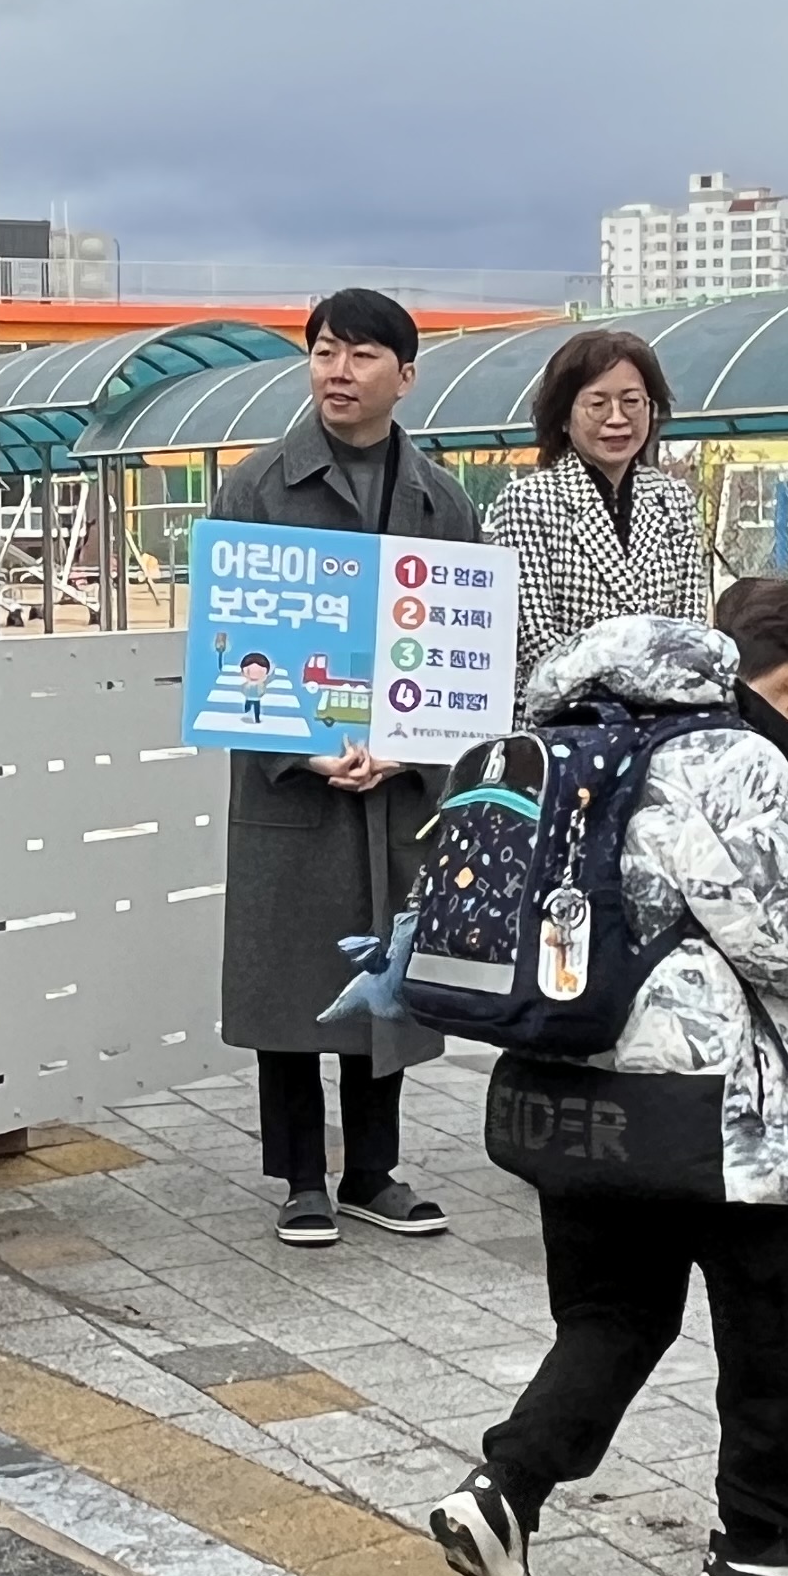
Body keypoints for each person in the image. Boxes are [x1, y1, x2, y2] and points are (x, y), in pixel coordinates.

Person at [428, 579, 788, 1576]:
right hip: (709, 1098)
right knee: (760, 1313)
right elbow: (784, 941)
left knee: (614, 1310)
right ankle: (759, 1544)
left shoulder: (558, 733)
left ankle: (503, 1490)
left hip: (564, 1073)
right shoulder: (729, 757)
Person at [215, 286, 482, 1247]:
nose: (338, 370)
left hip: (400, 785)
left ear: (405, 377)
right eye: (325, 350)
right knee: (292, 979)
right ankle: (299, 1176)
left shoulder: (440, 500)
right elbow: (231, 646)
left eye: (363, 355)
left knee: (388, 968)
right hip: (297, 781)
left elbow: (466, 659)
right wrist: (307, 748)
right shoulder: (257, 488)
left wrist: (406, 753)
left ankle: (374, 1170)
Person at [484, 325, 711, 693]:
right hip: (562, 717)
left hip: (659, 716)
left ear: (651, 408)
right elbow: (534, 638)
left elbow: (690, 628)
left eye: (632, 401)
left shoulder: (675, 501)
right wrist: (625, 687)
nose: (617, 418)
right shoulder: (528, 501)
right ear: (563, 416)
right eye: (598, 403)